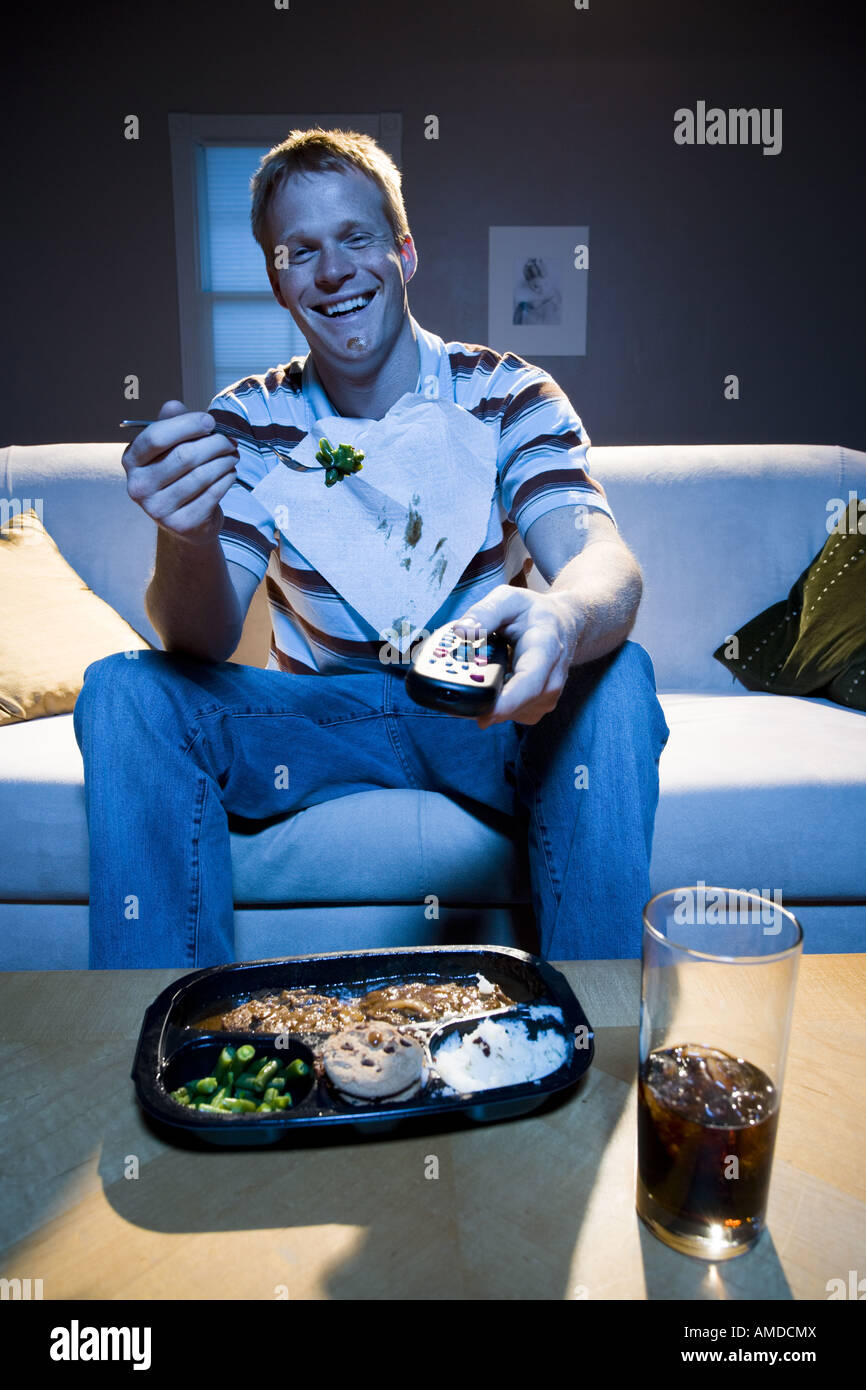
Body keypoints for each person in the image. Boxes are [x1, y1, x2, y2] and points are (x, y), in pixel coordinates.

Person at [74, 127, 670, 969]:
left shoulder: (506, 394)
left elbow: (600, 557)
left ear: (405, 252)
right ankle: (168, 1040)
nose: (333, 271)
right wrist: (186, 532)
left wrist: (563, 623)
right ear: (278, 280)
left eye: (357, 238)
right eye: (300, 251)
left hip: (486, 713)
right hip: (321, 720)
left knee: (621, 676)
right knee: (123, 689)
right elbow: (199, 643)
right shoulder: (250, 421)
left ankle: (596, 1027)